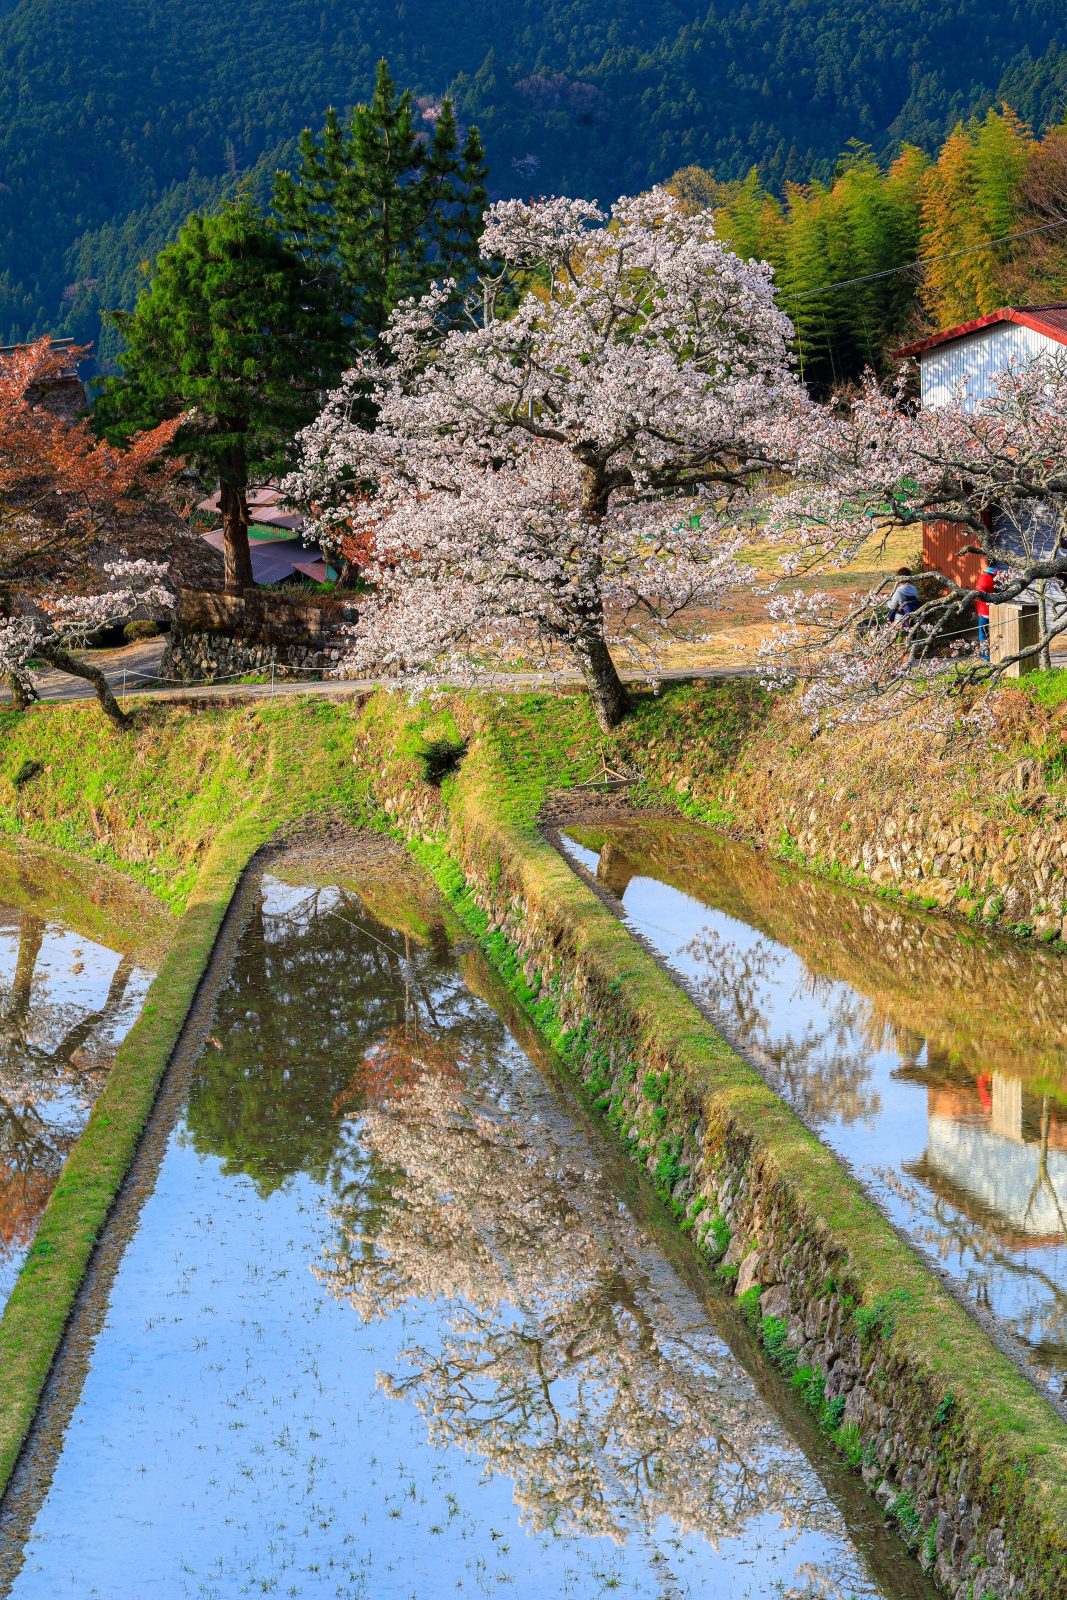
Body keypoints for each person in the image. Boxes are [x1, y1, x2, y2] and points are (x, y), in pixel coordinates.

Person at [975, 559, 998, 661]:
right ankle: (992, 655)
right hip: (993, 611)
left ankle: (987, 657)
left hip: (984, 612)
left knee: (983, 635)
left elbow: (979, 591)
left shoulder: (983, 578)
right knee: (993, 634)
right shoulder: (994, 579)